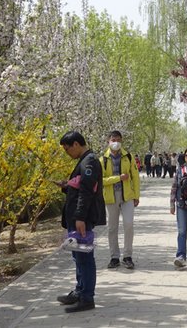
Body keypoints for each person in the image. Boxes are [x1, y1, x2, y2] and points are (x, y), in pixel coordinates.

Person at [56, 131, 106, 313]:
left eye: (67, 148)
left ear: (76, 144)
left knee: (85, 258)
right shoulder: (84, 161)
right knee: (78, 256)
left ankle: (87, 297)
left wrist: (80, 217)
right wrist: (67, 185)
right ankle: (79, 290)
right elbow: (80, 186)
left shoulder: (89, 161)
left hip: (81, 218)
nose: (67, 152)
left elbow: (86, 191)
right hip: (75, 216)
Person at [100, 130, 140, 270]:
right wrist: (118, 178)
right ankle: (114, 257)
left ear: (121, 141)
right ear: (108, 141)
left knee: (129, 225)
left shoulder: (128, 157)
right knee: (112, 228)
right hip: (111, 197)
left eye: (118, 140)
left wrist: (136, 196)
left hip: (127, 196)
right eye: (113, 140)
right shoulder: (103, 160)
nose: (115, 142)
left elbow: (135, 176)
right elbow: (101, 180)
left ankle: (127, 256)